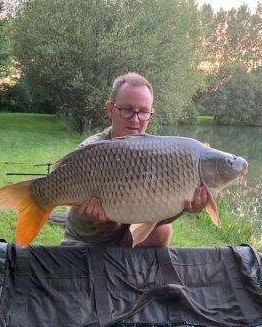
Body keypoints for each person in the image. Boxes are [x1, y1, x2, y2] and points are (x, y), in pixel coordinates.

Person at [60, 72, 207, 248]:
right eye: (127, 110)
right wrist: (103, 220)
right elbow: (109, 227)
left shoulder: (156, 152)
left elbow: (154, 215)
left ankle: (130, 271)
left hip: (125, 240)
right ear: (110, 109)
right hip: (86, 243)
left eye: (144, 111)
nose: (136, 119)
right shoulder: (90, 152)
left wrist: (184, 208)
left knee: (162, 230)